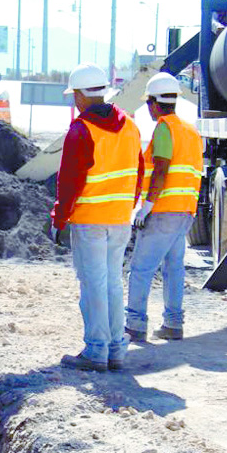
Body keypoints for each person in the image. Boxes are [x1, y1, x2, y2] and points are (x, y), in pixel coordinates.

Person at [50, 62, 143, 372]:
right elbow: (138, 173)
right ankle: (116, 348)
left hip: (90, 219)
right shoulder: (130, 126)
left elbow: (69, 182)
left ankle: (96, 351)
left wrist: (59, 220)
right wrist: (127, 207)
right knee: (113, 284)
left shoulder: (80, 130)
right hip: (120, 219)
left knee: (93, 285)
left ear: (79, 96)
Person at [126, 72, 203, 342]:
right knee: (173, 268)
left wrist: (145, 206)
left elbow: (161, 169)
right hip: (185, 211)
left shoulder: (164, 128)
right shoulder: (191, 131)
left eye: (148, 103)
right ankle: (173, 324)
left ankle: (134, 325)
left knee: (141, 269)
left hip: (163, 210)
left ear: (154, 103)